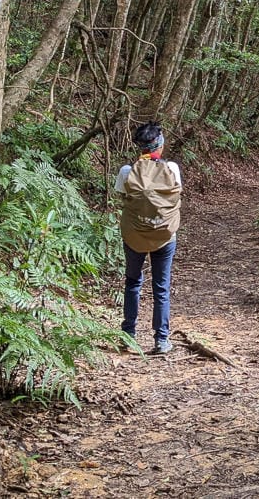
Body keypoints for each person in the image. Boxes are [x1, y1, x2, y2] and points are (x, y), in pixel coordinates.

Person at [113, 121, 183, 355]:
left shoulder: (127, 171)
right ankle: (161, 340)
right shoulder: (171, 168)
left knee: (133, 282)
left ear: (140, 147)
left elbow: (122, 197)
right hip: (164, 235)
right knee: (161, 287)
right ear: (160, 144)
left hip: (134, 235)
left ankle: (128, 337)